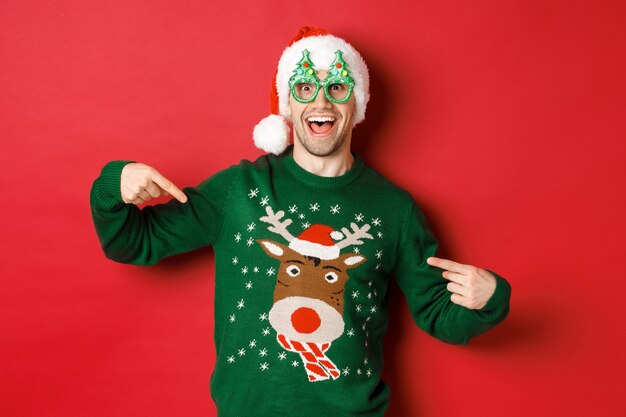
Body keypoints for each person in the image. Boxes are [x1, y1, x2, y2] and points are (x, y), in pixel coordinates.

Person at [91, 26, 511, 417]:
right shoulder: (240, 189)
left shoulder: (394, 210)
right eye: (306, 87)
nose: (321, 103)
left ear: (357, 104)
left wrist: (489, 298)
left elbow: (440, 316)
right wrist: (115, 185)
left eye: (338, 88)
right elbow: (131, 242)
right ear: (288, 104)